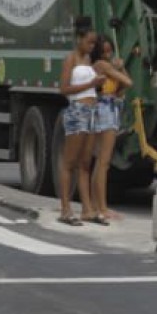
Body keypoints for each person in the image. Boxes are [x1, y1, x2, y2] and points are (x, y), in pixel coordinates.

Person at [57, 18, 104, 224]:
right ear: (79, 39)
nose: (91, 46)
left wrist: (97, 85)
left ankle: (87, 209)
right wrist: (91, 83)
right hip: (77, 110)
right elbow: (64, 89)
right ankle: (66, 208)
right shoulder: (71, 59)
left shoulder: (88, 61)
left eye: (94, 43)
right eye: (89, 42)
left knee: (86, 163)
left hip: (92, 111)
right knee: (70, 162)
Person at [90, 36, 132, 222]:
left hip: (109, 108)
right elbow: (129, 82)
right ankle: (102, 207)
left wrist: (120, 67)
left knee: (100, 161)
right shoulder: (102, 66)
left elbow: (123, 87)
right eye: (104, 51)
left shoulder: (107, 68)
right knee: (104, 162)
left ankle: (95, 205)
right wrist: (118, 66)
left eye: (110, 51)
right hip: (105, 110)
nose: (108, 55)